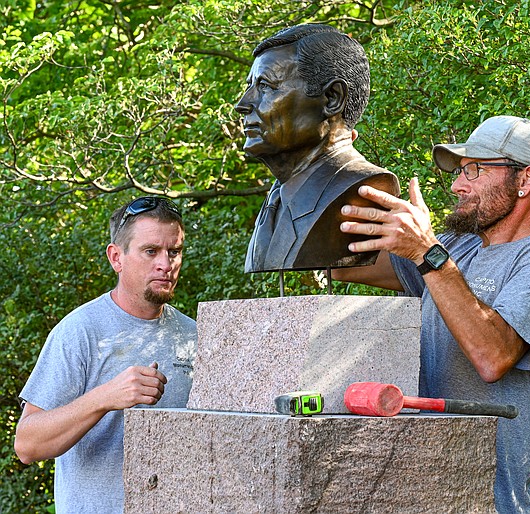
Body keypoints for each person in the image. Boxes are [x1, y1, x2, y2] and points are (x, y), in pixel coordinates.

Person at [332, 116, 530, 513]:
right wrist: (328, 156)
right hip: (423, 488)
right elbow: (339, 263)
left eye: (473, 170)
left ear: (526, 180)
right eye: (460, 171)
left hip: (487, 500)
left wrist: (426, 252)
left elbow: (492, 356)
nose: (457, 185)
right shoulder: (457, 248)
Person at [14, 197, 197, 513]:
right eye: (151, 251)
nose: (166, 264)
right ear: (117, 257)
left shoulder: (194, 335)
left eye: (174, 251)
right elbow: (28, 444)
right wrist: (106, 397)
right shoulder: (80, 331)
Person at [235, 23, 399, 272]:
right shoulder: (279, 196)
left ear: (332, 98)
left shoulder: (360, 187)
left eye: (265, 86)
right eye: (249, 87)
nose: (243, 104)